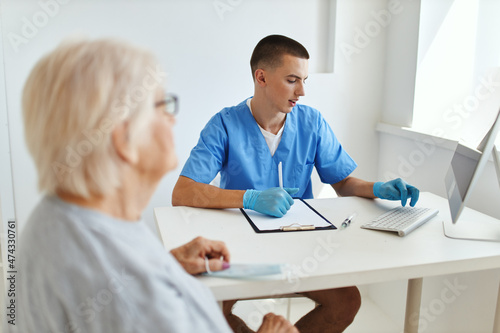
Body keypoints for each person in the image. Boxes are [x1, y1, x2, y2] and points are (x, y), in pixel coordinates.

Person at [16, 38, 298, 333]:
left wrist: (168, 265)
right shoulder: (138, 301)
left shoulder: (57, 218)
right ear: (123, 139)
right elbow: (131, 301)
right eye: (163, 105)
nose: (172, 119)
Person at [172, 34, 420, 332]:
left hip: (301, 248)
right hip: (239, 248)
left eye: (304, 80)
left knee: (346, 301)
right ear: (261, 77)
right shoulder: (224, 125)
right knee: (205, 306)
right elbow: (183, 192)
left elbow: (343, 183)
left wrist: (377, 188)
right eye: (292, 80)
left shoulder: (311, 123)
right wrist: (250, 198)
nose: (301, 91)